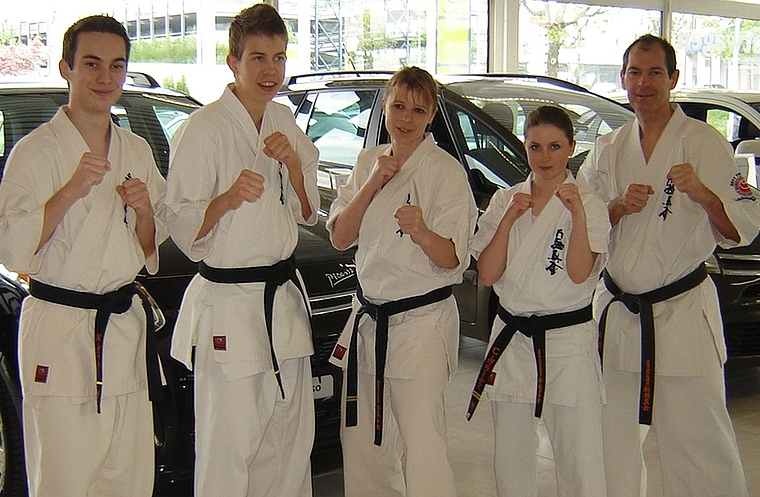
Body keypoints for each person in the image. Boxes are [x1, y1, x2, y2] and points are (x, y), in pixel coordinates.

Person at [577, 34, 757, 496]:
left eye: (655, 73)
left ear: (673, 78)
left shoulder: (705, 142)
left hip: (680, 314)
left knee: (698, 440)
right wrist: (615, 207)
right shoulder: (609, 147)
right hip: (619, 314)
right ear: (622, 79)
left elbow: (744, 222)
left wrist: (704, 195)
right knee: (609, 438)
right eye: (635, 73)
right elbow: (579, 219)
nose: (644, 83)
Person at [0, 15, 167, 496]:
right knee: (65, 478)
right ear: (66, 69)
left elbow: (148, 249)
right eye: (91, 64)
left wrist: (143, 213)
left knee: (127, 476)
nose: (104, 77)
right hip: (60, 327)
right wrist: (71, 190)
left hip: (121, 330)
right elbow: (13, 251)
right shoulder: (35, 153)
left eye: (116, 66)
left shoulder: (135, 148)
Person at [165, 3, 319, 496]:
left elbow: (307, 211)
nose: (270, 69)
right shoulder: (203, 129)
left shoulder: (283, 120)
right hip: (230, 304)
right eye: (257, 57)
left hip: (282, 301)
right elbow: (185, 230)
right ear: (232, 62)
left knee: (290, 439)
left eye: (278, 57)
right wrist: (228, 198)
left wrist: (293, 165)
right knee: (227, 446)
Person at [327, 66, 477, 497]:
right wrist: (374, 181)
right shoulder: (366, 161)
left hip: (420, 322)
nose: (405, 119)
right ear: (385, 107)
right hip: (370, 318)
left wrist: (423, 232)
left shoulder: (445, 172)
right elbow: (340, 237)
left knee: (422, 441)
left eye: (417, 109)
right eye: (398, 106)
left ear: (431, 115)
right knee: (361, 443)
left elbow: (453, 260)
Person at [466, 106, 609, 497]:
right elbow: (488, 275)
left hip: (567, 341)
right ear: (525, 149)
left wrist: (577, 214)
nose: (544, 157)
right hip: (513, 339)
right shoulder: (505, 200)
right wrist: (509, 219)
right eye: (535, 147)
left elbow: (580, 273)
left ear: (571, 149)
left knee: (579, 455)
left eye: (554, 147)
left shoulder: (589, 203)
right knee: (510, 455)